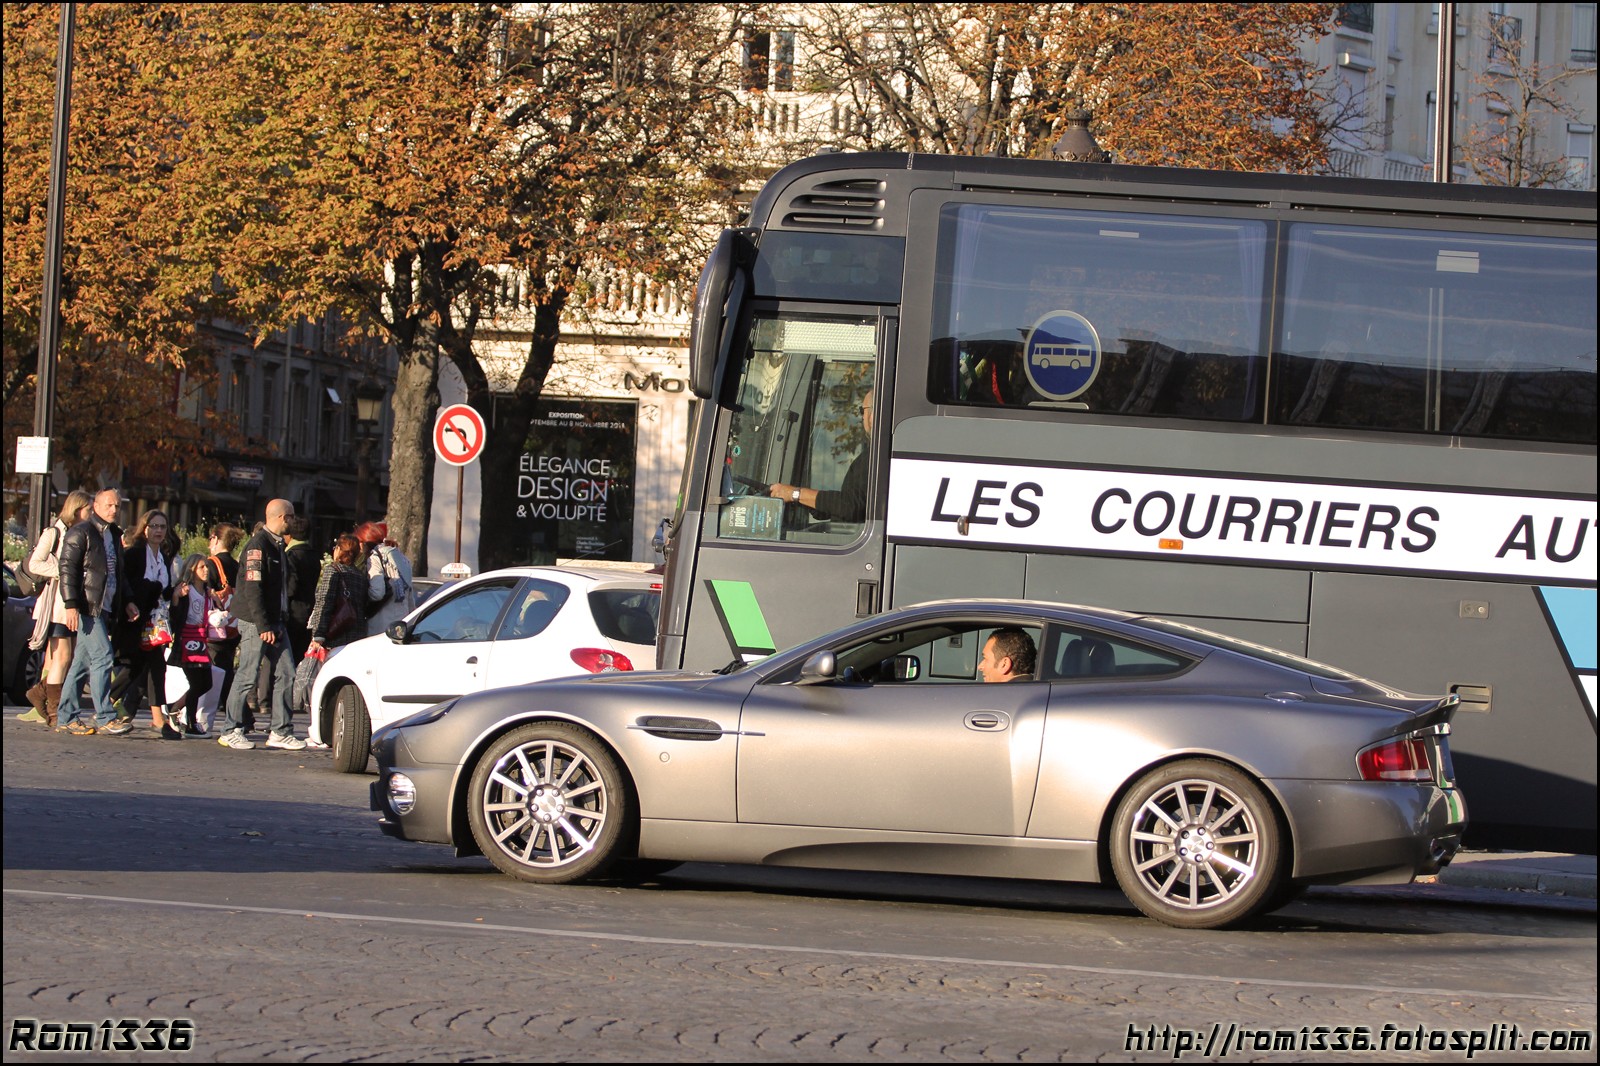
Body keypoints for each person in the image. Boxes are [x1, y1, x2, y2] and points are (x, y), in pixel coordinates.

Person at [217, 499, 306, 751]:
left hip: (276, 621)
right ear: (280, 517)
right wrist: (262, 625)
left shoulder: (277, 545)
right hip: (258, 622)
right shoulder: (258, 546)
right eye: (291, 517)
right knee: (247, 674)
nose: (293, 522)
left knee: (287, 672)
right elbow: (253, 589)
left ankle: (281, 730)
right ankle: (231, 729)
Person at [56, 488, 139, 735]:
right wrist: (71, 604)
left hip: (105, 605)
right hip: (87, 606)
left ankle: (66, 716)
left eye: (117, 506)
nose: (114, 510)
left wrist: (128, 600)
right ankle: (105, 716)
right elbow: (67, 570)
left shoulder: (113, 534)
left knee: (81, 664)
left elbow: (117, 572)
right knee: (103, 656)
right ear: (95, 505)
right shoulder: (81, 532)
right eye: (109, 505)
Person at [20, 489, 95, 728]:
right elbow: (35, 563)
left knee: (64, 658)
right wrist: (64, 571)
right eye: (88, 509)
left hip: (72, 602)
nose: (91, 513)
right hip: (57, 604)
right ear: (76, 509)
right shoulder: (54, 532)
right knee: (61, 657)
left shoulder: (82, 533)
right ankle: (54, 712)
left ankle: (40, 693)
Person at [767, 387, 873, 522]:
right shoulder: (875, 455)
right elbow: (850, 505)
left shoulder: (875, 458)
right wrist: (806, 501)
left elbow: (850, 506)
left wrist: (795, 494)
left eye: (862, 411)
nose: (862, 417)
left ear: (873, 414)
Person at [122, 508, 181, 739]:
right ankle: (108, 703)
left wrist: (175, 593)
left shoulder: (164, 557)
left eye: (162, 527)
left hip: (157, 622)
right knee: (133, 667)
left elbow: (163, 590)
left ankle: (158, 718)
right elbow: (131, 584)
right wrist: (151, 590)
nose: (158, 531)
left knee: (156, 667)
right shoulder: (136, 553)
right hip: (136, 618)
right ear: (144, 528)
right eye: (153, 526)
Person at [166, 554, 217, 736]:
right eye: (201, 567)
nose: (206, 570)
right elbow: (175, 616)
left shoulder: (207, 592)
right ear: (192, 570)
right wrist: (176, 599)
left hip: (201, 639)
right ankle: (191, 722)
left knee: (206, 683)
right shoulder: (185, 590)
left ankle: (175, 706)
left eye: (207, 567)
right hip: (186, 639)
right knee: (196, 682)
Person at [204, 522, 245, 720]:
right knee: (226, 668)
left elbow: (206, 592)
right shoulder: (237, 565)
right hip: (234, 624)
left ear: (215, 539)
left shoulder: (211, 564)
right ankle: (241, 715)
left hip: (217, 626)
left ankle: (241, 716)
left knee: (219, 670)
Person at [305, 533, 370, 655]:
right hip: (355, 633)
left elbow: (325, 602)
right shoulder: (360, 576)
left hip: (333, 633)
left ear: (339, 550)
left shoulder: (333, 570)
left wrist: (319, 634)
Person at [355, 520, 415, 635]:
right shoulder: (401, 557)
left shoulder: (375, 557)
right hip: (401, 623)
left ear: (363, 543)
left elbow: (377, 593)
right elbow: (410, 596)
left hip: (380, 626)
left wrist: (363, 599)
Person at [283, 514, 320, 662]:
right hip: (309, 611)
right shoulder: (313, 555)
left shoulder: (291, 556)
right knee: (300, 658)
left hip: (292, 613)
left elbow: (290, 588)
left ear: (289, 535)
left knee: (287, 659)